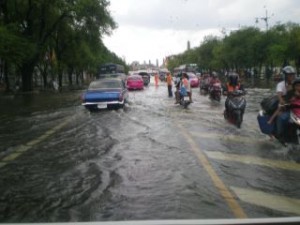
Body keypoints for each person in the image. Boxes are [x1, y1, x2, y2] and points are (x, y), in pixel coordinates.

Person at [274, 66, 296, 142]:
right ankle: (280, 135)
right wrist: (284, 102)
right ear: (285, 76)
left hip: (296, 107)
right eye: (289, 75)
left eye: (292, 74)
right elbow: (280, 97)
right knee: (281, 117)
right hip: (285, 106)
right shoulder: (280, 85)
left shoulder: (296, 84)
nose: (291, 76)